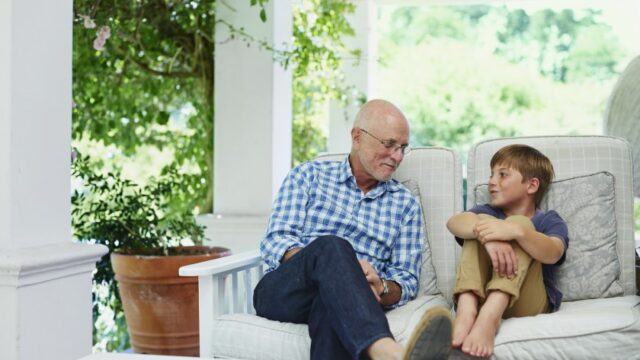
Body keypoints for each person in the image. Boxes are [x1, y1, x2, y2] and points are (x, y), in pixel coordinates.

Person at [253, 99, 452, 360]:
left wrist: (379, 286)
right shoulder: (308, 176)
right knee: (332, 247)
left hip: (354, 299)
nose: (398, 156)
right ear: (357, 137)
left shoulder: (405, 205)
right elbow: (277, 241)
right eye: (389, 144)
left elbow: (405, 279)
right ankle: (385, 349)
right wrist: (333, 265)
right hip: (286, 290)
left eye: (403, 148)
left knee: (331, 305)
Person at [447, 144, 569, 358]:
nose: (491, 181)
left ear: (531, 185)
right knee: (481, 222)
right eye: (491, 174)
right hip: (481, 295)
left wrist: (517, 231)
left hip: (528, 303)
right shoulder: (487, 212)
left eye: (502, 175)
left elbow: (554, 252)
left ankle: (490, 316)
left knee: (521, 223)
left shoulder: (548, 219)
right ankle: (466, 310)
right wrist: (488, 234)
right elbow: (454, 223)